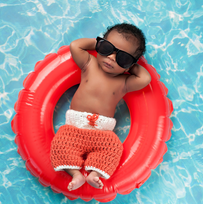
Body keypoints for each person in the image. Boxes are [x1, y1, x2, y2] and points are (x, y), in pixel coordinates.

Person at [50, 23, 151, 191]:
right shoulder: (89, 64)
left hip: (102, 133)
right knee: (60, 144)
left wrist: (129, 65)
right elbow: (76, 45)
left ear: (129, 64)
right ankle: (76, 174)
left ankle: (94, 174)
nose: (111, 57)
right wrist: (98, 44)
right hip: (74, 128)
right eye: (107, 48)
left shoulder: (123, 82)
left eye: (122, 58)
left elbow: (145, 78)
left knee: (114, 148)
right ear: (100, 45)